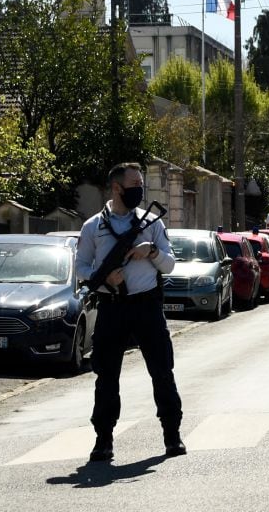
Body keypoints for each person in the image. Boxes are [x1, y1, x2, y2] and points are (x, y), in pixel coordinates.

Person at [75, 162, 186, 462]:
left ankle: (172, 435)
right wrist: (105, 277)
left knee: (162, 371)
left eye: (141, 183)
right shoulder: (93, 226)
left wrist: (150, 251)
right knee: (107, 376)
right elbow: (81, 267)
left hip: (147, 305)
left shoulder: (152, 223)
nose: (140, 188)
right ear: (116, 188)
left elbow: (170, 264)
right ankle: (103, 440)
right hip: (112, 307)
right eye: (134, 183)